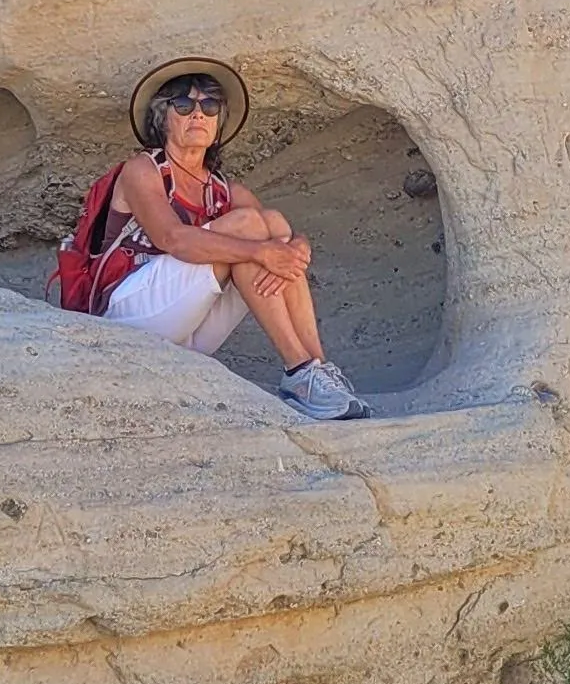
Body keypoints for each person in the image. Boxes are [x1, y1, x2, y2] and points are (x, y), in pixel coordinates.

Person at [97, 64, 370, 420]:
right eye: (184, 104)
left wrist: (297, 247)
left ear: (218, 123)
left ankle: (317, 369)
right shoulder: (143, 170)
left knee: (269, 224)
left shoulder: (225, 189)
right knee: (249, 230)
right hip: (131, 314)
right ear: (162, 117)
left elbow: (277, 232)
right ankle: (297, 369)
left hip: (190, 329)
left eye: (210, 106)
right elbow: (173, 238)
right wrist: (262, 251)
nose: (198, 112)